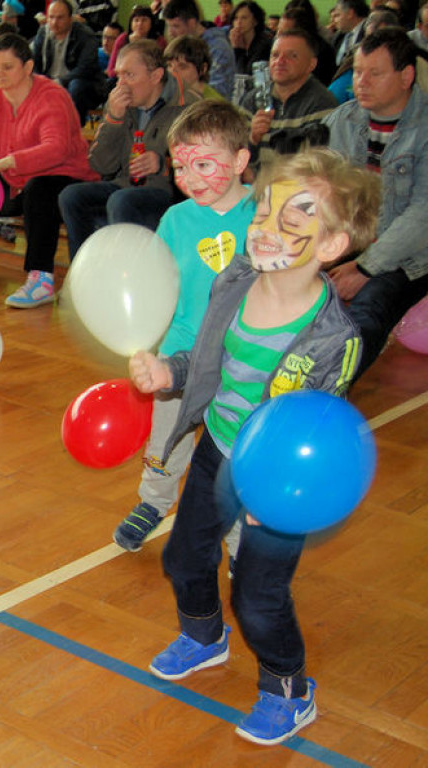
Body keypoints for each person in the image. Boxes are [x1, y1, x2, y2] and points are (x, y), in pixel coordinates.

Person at [133, 148, 378, 746]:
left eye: (289, 223)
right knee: (182, 559)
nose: (265, 231)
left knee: (259, 598)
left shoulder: (334, 340)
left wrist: (282, 496)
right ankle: (203, 635)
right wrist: (172, 372)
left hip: (279, 479)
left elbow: (319, 432)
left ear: (330, 245)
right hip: (219, 446)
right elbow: (210, 358)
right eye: (262, 215)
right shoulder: (235, 278)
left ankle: (287, 688)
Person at [112, 100, 254, 552]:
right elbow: (162, 282)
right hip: (180, 352)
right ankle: (154, 501)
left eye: (203, 164)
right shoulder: (176, 218)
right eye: (180, 166)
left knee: (236, 450)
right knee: (167, 438)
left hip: (242, 357)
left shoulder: (265, 215)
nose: (189, 178)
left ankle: (236, 535)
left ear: (240, 161)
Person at [0, 33, 97, 307]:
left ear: (27, 67)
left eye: (7, 67)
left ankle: (41, 278)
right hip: (14, 180)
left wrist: (10, 161)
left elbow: (56, 148)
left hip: (63, 177)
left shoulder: (52, 96)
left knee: (40, 189)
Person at [326, 28, 428, 378]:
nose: (360, 82)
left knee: (368, 311)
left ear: (406, 76)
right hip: (352, 242)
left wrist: (366, 268)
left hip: (410, 257)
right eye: (357, 71)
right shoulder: (343, 120)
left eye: (374, 73)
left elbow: (422, 216)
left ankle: (326, 385)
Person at [59, 40, 200, 259]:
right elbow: (100, 165)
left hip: (170, 193)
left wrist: (162, 163)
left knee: (122, 200)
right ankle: (83, 271)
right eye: (119, 75)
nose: (120, 84)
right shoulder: (119, 104)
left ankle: (124, 273)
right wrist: (114, 119)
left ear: (155, 76)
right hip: (125, 185)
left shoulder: (188, 108)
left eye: (129, 75)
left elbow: (202, 163)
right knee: (71, 196)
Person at [241, 30, 336, 175]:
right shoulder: (252, 100)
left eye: (292, 56)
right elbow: (234, 157)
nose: (280, 61)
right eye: (275, 55)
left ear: (311, 64)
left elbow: (316, 169)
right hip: (253, 190)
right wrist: (252, 139)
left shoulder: (322, 104)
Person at [31, 0, 105, 123]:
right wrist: (42, 81)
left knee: (76, 86)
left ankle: (72, 129)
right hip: (49, 81)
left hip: (81, 84)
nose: (54, 22)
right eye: (51, 17)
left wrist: (59, 82)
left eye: (60, 18)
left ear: (71, 19)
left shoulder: (85, 35)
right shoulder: (43, 33)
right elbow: (32, 62)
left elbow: (86, 68)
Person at [161, 0, 234, 99]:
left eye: (176, 26)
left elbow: (218, 93)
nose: (170, 32)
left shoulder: (218, 48)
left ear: (191, 23)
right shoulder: (181, 46)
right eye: (169, 26)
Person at [278, 0, 338, 86]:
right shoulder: (280, 47)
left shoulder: (321, 52)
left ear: (301, 31)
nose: (278, 35)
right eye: (278, 30)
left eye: (284, 32)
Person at [106, 5, 165, 79]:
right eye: (136, 20)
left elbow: (162, 68)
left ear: (151, 22)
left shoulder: (159, 41)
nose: (139, 24)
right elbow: (111, 70)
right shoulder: (123, 39)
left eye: (144, 20)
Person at [165, 34, 220, 99]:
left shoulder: (212, 105)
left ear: (203, 69)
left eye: (182, 67)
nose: (172, 72)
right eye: (169, 65)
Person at [229, 0, 273, 75]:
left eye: (244, 18)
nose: (239, 22)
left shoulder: (264, 45)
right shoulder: (231, 41)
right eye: (236, 18)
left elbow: (245, 75)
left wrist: (238, 51)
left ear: (255, 21)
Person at [332, 0, 370, 64]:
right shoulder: (338, 37)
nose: (334, 21)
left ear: (350, 13)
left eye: (337, 15)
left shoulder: (369, 32)